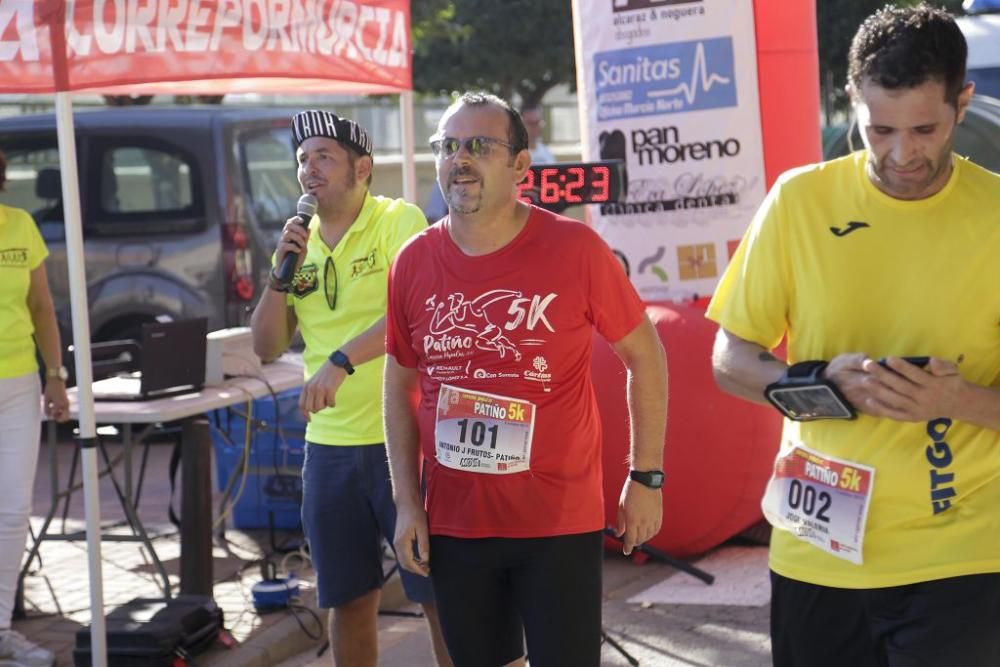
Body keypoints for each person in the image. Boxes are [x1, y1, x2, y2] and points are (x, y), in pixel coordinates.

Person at [707, 5, 1000, 667]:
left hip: (963, 553)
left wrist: (956, 401)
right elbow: (730, 358)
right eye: (880, 128)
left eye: (925, 128)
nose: (901, 153)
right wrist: (815, 383)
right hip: (818, 547)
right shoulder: (797, 200)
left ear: (964, 102)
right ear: (851, 101)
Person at [383, 92, 668, 667]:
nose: (459, 159)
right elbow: (399, 385)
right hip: (457, 522)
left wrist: (647, 477)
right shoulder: (412, 261)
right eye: (448, 146)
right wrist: (407, 504)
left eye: (480, 146)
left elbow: (646, 355)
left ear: (520, 166)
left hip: (557, 520)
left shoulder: (575, 248)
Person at [249, 111, 450, 667]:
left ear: (362, 168)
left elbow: (412, 314)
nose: (308, 171)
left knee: (437, 596)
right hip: (330, 448)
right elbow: (265, 345)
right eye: (301, 161)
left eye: (323, 158)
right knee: (347, 600)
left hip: (405, 440)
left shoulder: (397, 220)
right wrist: (278, 275)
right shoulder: (296, 243)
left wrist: (341, 360)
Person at [0, 148, 69, 667]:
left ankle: (1, 630)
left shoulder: (20, 224)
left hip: (20, 385)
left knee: (12, 512)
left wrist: (55, 375)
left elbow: (42, 306)